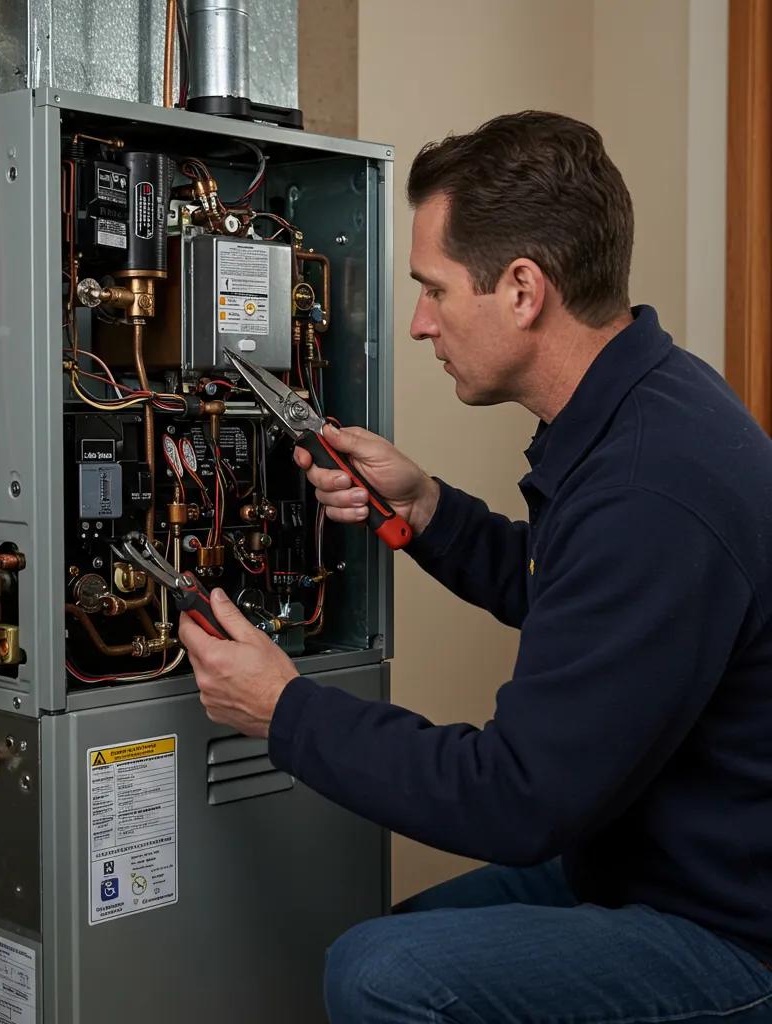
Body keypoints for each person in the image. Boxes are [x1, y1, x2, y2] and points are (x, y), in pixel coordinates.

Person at [178, 111, 772, 1023]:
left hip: (725, 926)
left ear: (524, 290)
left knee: (381, 973)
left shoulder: (652, 485)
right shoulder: (645, 406)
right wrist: (427, 513)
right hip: (635, 853)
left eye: (435, 289)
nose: (418, 324)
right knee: (400, 933)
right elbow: (578, 606)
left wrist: (285, 710)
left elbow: (515, 799)